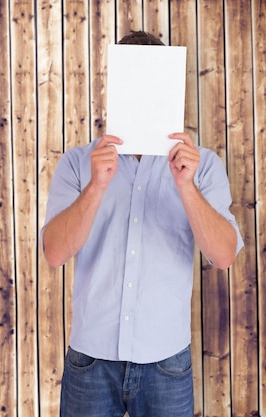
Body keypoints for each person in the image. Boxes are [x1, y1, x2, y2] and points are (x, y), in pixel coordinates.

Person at [41, 30, 243, 417]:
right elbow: (54, 253)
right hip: (91, 361)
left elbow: (223, 256)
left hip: (166, 362)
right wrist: (98, 185)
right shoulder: (77, 163)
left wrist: (186, 187)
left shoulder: (203, 166)